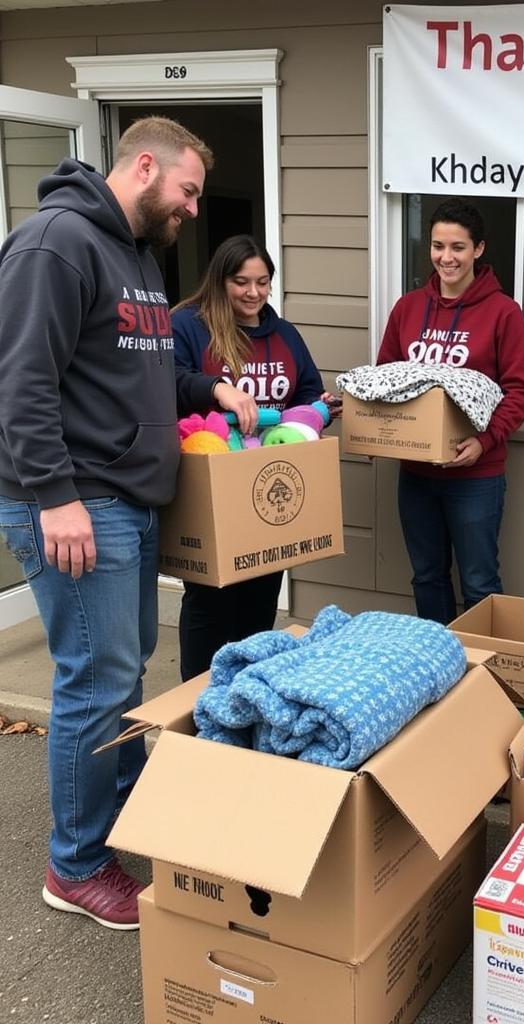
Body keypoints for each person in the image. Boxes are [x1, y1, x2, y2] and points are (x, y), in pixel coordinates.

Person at [0, 116, 244, 930]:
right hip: (78, 500)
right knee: (94, 679)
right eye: (187, 191)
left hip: (126, 501)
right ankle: (75, 865)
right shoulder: (54, 245)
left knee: (126, 665)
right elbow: (20, 382)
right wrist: (53, 495)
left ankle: (126, 804)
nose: (191, 210)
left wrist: (208, 391)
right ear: (146, 166)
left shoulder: (137, 259)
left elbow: (141, 376)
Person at [171, 234, 339, 681]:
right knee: (211, 603)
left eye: (262, 282)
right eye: (242, 282)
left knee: (260, 599)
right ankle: (199, 701)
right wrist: (216, 389)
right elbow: (169, 381)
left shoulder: (283, 335)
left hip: (269, 485)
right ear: (219, 280)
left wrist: (316, 410)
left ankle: (247, 695)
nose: (253, 293)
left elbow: (306, 392)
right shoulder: (189, 326)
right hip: (211, 488)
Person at [377, 198, 524, 624]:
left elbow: (521, 391)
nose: (446, 257)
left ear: (478, 250)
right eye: (437, 246)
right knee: (426, 576)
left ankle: (485, 674)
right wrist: (377, 430)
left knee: (480, 581)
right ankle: (438, 667)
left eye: (458, 247)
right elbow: (386, 379)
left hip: (474, 476)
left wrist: (484, 442)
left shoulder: (504, 313)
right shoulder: (408, 308)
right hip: (417, 472)